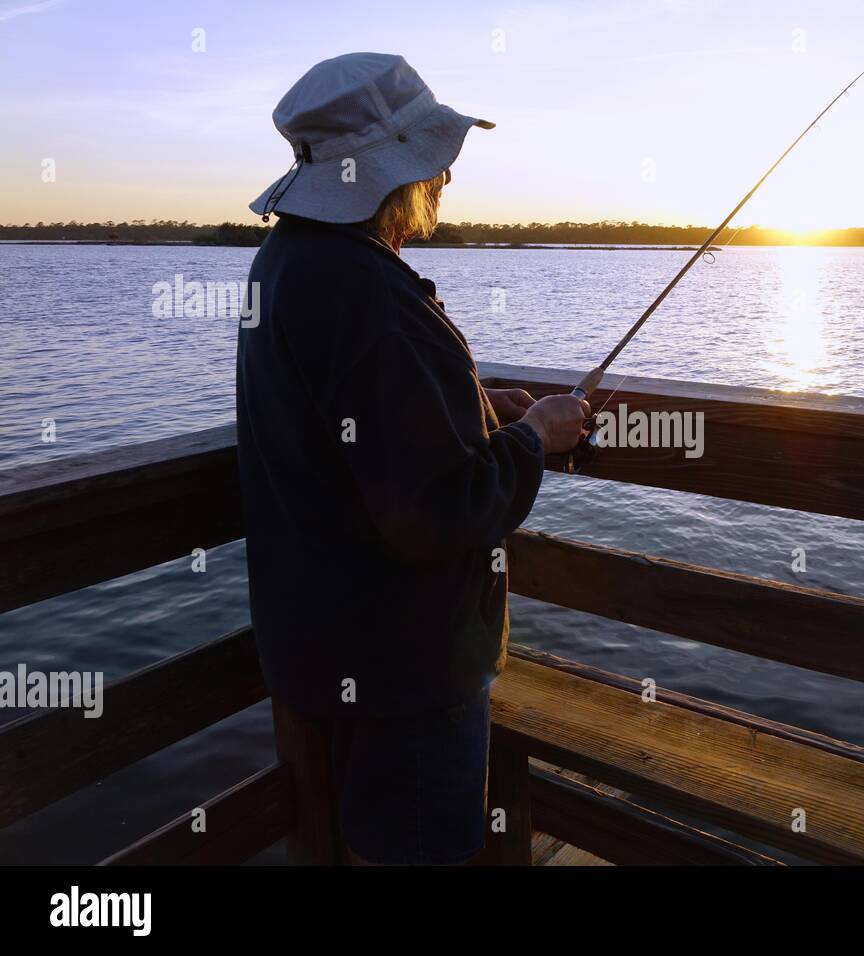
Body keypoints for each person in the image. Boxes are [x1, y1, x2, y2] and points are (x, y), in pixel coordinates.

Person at [236, 52, 589, 865]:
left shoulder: (288, 263)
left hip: (320, 653)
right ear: (384, 174)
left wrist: (473, 409)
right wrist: (538, 438)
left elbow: (355, 435)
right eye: (433, 161)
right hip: (405, 673)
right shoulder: (367, 293)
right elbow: (436, 511)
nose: (446, 179)